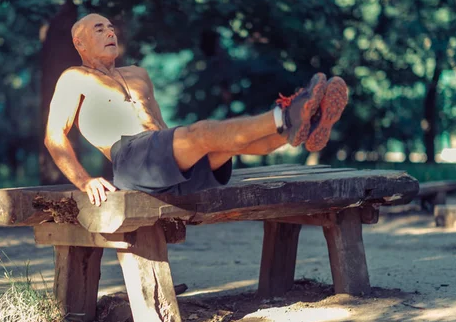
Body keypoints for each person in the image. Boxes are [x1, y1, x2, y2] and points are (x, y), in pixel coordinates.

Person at [44, 13, 348, 206]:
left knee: (227, 142)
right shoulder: (75, 77)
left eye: (111, 28)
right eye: (100, 29)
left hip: (167, 164)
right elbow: (53, 135)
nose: (111, 33)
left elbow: (157, 126)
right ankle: (287, 114)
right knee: (203, 131)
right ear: (80, 42)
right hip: (131, 159)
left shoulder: (137, 74)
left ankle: (306, 122)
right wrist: (85, 181)